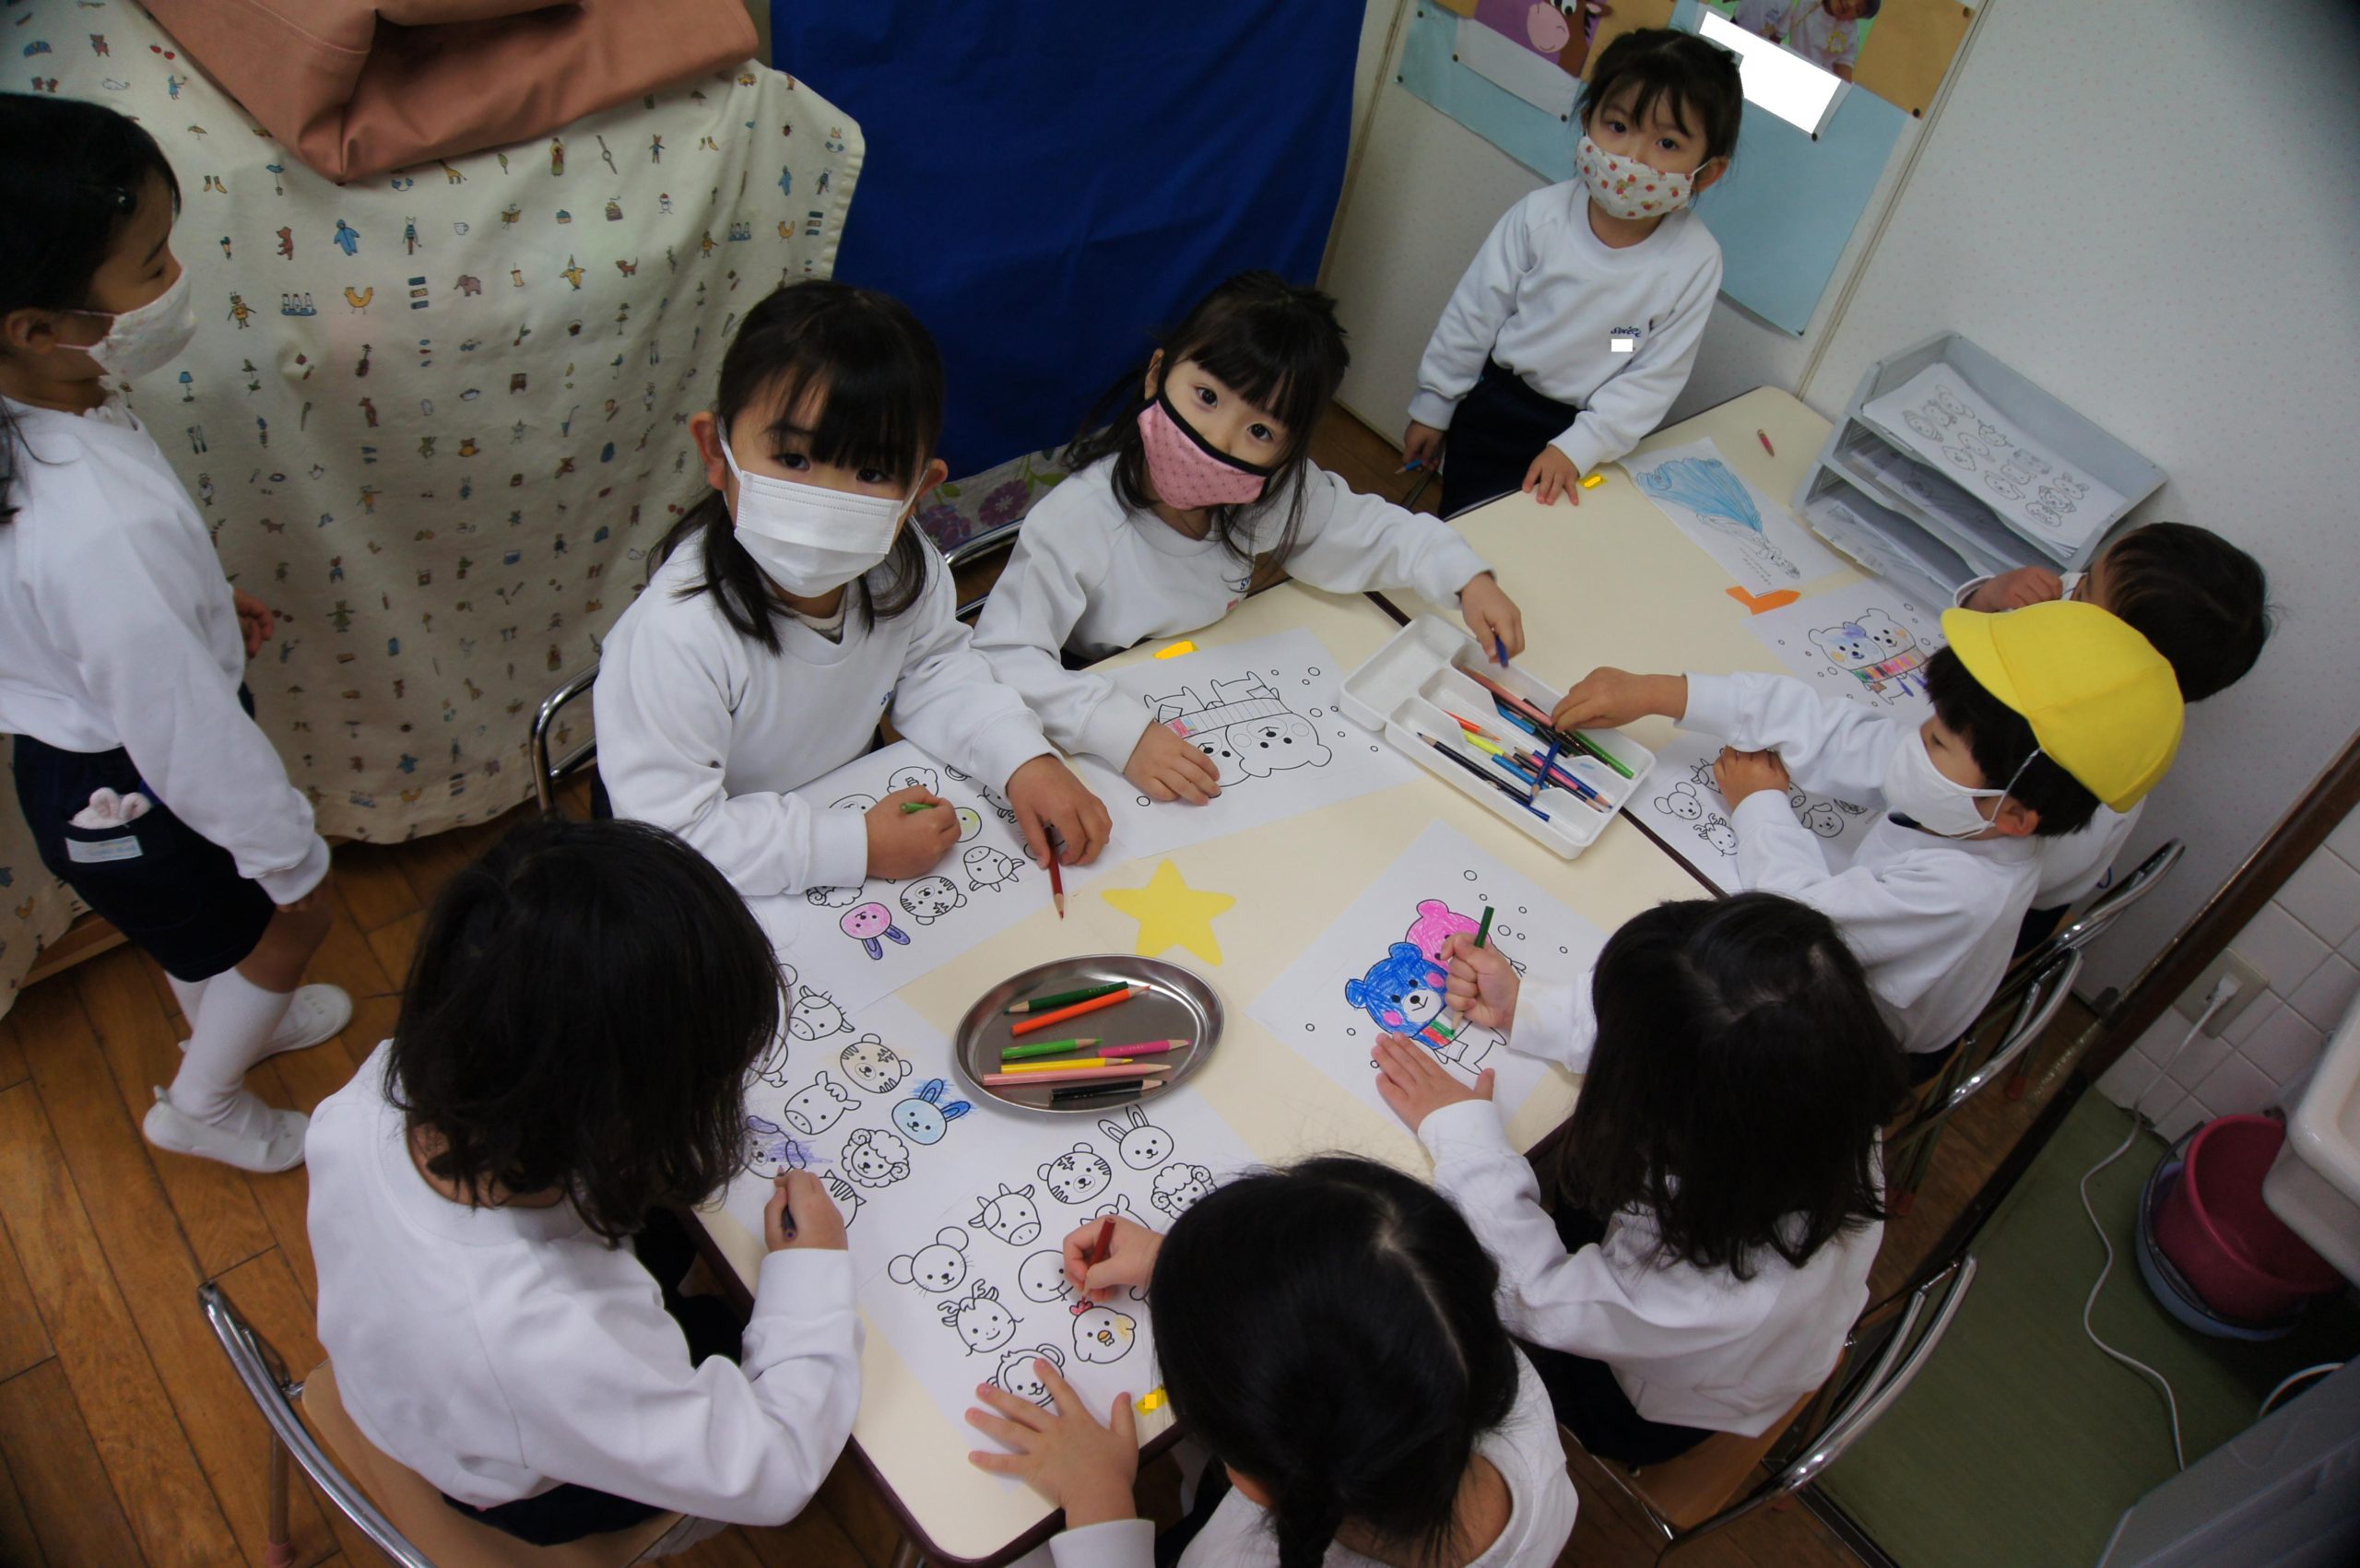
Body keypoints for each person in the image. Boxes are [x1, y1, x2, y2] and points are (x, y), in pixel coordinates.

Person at [306, 817, 860, 1543]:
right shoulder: (553, 1336)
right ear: (617, 1120)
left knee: (677, 1239)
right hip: (518, 1478)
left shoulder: (381, 1089)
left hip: (425, 1384)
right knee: (732, 1329)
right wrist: (811, 1274)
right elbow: (776, 1467)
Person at [0, 93, 345, 1173]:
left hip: (88, 757)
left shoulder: (47, 406)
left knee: (201, 932)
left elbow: (83, 621)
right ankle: (204, 1104)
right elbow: (181, 727)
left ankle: (233, 1011)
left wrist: (194, 607)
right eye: (151, 265)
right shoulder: (94, 526)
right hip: (134, 774)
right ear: (36, 326)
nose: (177, 278)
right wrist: (290, 858)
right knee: (286, 917)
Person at [595, 279, 1108, 896]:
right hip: (725, 877)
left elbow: (935, 670)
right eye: (793, 459)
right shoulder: (674, 636)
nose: (827, 500)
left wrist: (1021, 757)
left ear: (918, 491)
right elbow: (674, 836)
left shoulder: (903, 564)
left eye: (870, 471)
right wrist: (857, 846)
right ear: (716, 452)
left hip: (839, 809)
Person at [1374, 892, 1906, 1462]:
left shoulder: (1703, 1295)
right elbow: (1684, 1036)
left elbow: (1536, 1296)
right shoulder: (1819, 1090)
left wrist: (1462, 1135)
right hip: (1727, 1316)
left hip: (1645, 1403)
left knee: (1437, 1299)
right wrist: (1523, 1008)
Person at [1552, 602, 2184, 1076]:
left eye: (1936, 740)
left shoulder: (1963, 892)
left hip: (1860, 1055)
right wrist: (1661, 692)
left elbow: (1797, 921)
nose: (1914, 741)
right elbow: (1834, 731)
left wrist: (1760, 804)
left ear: (2015, 814)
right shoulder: (1974, 799)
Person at [974, 271, 1523, 806]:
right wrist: (1118, 732)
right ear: (1157, 375)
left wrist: (1464, 577)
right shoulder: (1076, 520)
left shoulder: (1272, 494)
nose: (1217, 438)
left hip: (1206, 674)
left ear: (1287, 453)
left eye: (1260, 431)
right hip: (1088, 692)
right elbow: (1006, 653)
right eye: (1206, 396)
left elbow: (1365, 531)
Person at [964, 1157, 1577, 1566]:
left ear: (1250, 1479)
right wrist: (1187, 1267)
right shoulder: (1491, 1377)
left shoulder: (1232, 1559)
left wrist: (1098, 1499)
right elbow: (1352, 1312)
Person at [1402, 28, 1743, 516]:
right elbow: (1474, 316)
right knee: (1463, 524)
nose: (1632, 158)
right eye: (1618, 126)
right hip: (1497, 408)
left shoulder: (1695, 261)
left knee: (1537, 545)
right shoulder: (1540, 217)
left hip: (1586, 436)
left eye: (1667, 142)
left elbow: (1653, 373)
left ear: (1707, 172)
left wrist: (1579, 446)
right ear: (1588, 122)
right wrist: (1434, 406)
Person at [1957, 524, 2270, 939]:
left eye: (2082, 595)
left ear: (2124, 668)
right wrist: (1988, 597)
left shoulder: (2083, 786)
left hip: (1995, 912)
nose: (2064, 590)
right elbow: (1969, 645)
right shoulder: (2065, 631)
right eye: (2083, 575)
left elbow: (1988, 879)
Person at [1732, 0, 1880, 83]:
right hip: (1789, 67)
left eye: (1858, 10)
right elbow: (1777, 37)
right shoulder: (1809, 3)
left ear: (1854, 19)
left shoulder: (1849, 32)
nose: (1850, 4)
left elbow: (1845, 67)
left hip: (1817, 81)